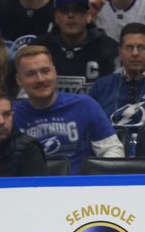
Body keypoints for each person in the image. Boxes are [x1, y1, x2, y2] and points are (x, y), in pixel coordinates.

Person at [13, 45, 123, 174]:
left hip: (81, 189)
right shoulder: (10, 116)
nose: (40, 79)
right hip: (29, 190)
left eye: (45, 71)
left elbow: (113, 151)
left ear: (55, 72)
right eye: (31, 74)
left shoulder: (85, 105)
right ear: (19, 80)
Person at [32, 0, 119, 94]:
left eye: (78, 11)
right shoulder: (39, 48)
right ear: (56, 17)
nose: (71, 15)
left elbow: (113, 96)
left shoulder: (109, 49)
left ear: (88, 16)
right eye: (64, 11)